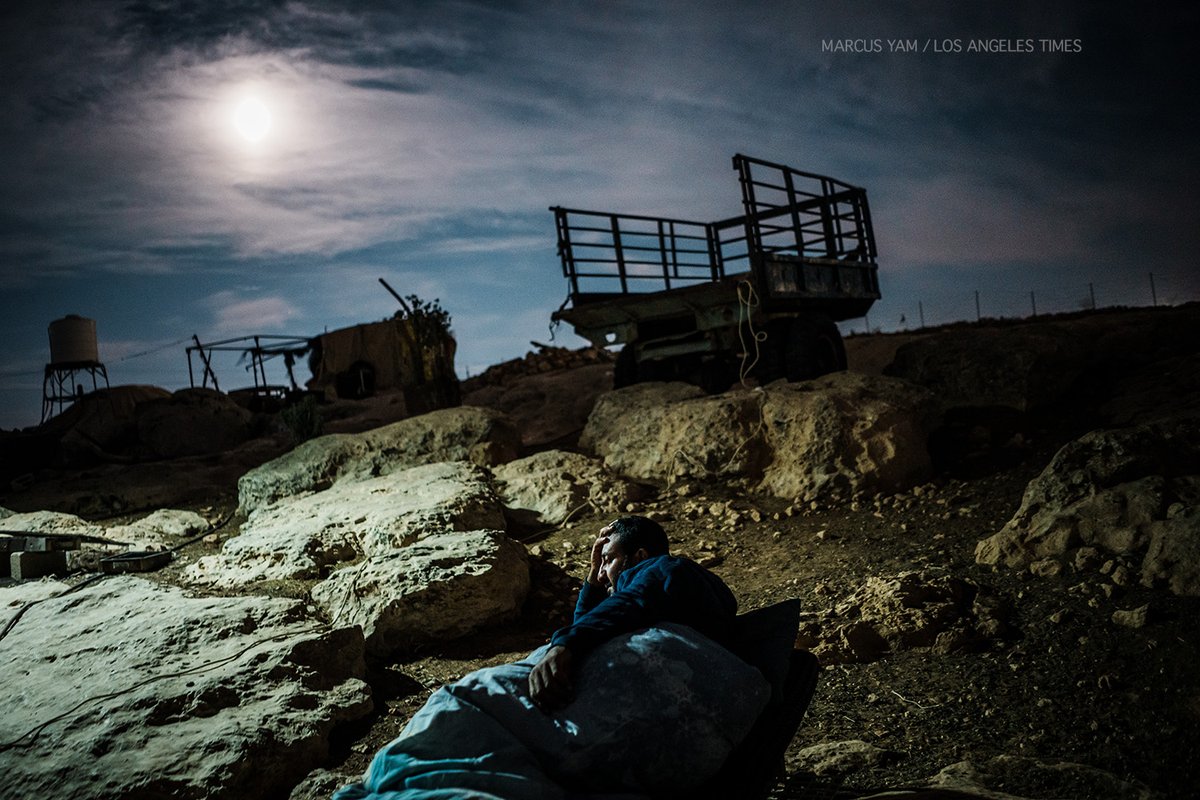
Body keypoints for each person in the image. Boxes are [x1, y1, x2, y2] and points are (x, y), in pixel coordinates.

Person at [528, 514, 738, 710]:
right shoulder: (662, 589)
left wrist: (563, 644)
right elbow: (588, 627)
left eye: (608, 560)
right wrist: (593, 576)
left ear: (639, 556)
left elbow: (628, 602)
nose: (602, 575)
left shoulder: (668, 568)